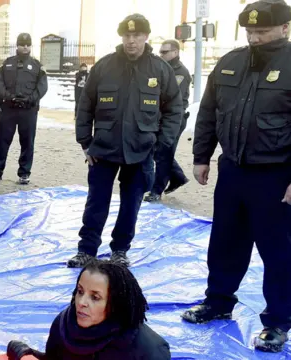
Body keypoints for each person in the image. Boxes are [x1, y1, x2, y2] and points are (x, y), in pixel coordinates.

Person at [182, 0, 291, 353]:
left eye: (263, 31)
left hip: (277, 175)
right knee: (225, 243)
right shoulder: (230, 62)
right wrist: (201, 156)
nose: (255, 37)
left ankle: (277, 323)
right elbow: (208, 111)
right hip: (234, 171)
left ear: (285, 28)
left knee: (281, 253)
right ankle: (219, 302)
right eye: (250, 31)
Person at [68, 14, 182, 269]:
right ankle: (86, 250)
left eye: (137, 35)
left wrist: (161, 143)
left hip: (141, 150)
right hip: (104, 149)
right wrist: (85, 143)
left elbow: (174, 108)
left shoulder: (160, 69)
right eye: (127, 36)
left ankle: (120, 250)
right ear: (121, 37)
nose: (131, 41)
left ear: (146, 37)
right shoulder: (104, 66)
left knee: (131, 205)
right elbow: (85, 105)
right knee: (96, 202)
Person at [6, 259, 171, 359]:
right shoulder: (63, 326)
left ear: (115, 304)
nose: (81, 302)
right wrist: (30, 354)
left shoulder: (149, 350)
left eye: (95, 297)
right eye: (80, 291)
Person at [0, 32, 48, 185]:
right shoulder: (7, 64)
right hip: (8, 109)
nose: (25, 46)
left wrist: (31, 99)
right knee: (2, 141)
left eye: (28, 44)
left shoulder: (37, 66)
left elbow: (42, 87)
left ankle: (24, 173)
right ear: (17, 45)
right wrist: (8, 96)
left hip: (28, 110)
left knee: (27, 141)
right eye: (22, 44)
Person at [144, 39, 192, 202]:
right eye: (160, 52)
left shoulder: (180, 73)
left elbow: (172, 98)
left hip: (173, 119)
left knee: (163, 154)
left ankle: (156, 191)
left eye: (165, 52)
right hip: (158, 118)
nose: (161, 55)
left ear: (175, 52)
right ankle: (177, 177)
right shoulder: (161, 68)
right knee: (160, 151)